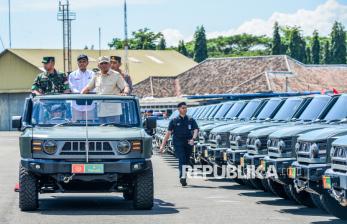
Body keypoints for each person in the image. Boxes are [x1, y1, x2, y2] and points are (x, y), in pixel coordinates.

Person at [160, 102, 199, 186]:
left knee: (187, 160)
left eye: (186, 108)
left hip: (188, 142)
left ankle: (184, 175)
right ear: (179, 109)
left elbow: (196, 130)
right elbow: (168, 133)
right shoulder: (174, 121)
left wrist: (193, 139)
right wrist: (162, 145)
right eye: (183, 108)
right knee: (182, 158)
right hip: (178, 143)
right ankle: (183, 177)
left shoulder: (190, 119)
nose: (185, 109)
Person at [68, 54, 95, 121]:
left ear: (87, 63)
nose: (82, 63)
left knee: (90, 126)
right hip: (76, 105)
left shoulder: (92, 74)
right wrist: (80, 95)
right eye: (80, 62)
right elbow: (72, 88)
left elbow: (94, 87)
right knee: (77, 127)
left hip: (89, 105)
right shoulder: (72, 75)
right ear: (77, 63)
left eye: (84, 61)